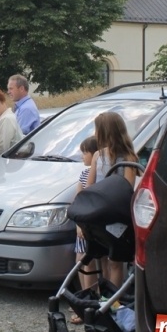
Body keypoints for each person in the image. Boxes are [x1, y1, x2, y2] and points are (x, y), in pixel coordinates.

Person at [86, 111, 139, 288]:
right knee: (107, 260)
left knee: (113, 261)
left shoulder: (125, 158)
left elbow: (125, 189)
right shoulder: (99, 156)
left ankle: (111, 301)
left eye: (97, 129)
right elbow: (91, 185)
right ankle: (106, 298)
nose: (95, 134)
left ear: (105, 132)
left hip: (110, 215)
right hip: (107, 215)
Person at [72, 135, 99, 318]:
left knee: (86, 263)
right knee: (80, 262)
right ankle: (84, 296)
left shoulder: (92, 173)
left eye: (85, 152)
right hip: (82, 225)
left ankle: (89, 298)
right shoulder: (85, 174)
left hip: (86, 226)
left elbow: (81, 198)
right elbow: (78, 198)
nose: (83, 156)